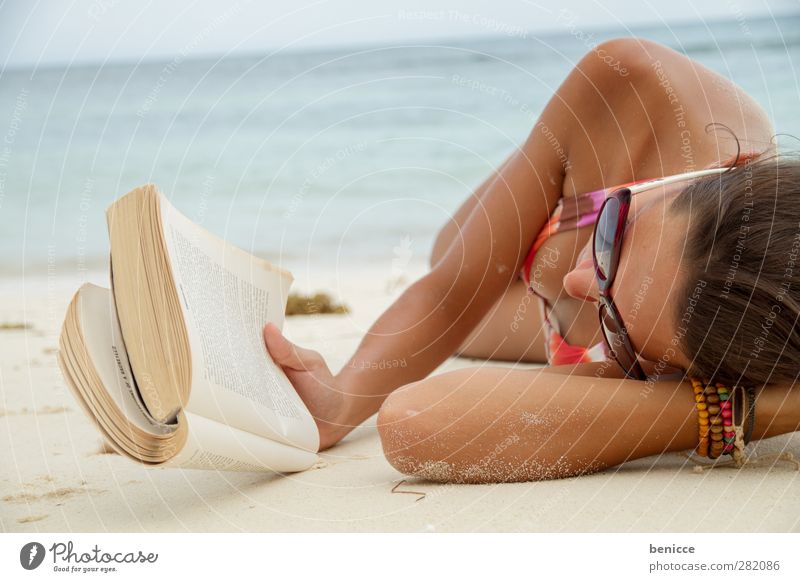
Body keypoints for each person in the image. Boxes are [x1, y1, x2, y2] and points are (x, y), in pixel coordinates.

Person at [263, 37, 800, 483]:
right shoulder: (627, 84)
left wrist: (746, 413)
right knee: (460, 260)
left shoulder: (720, 340)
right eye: (615, 232)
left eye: (618, 323)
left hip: (530, 322)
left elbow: (418, 420)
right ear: (737, 164)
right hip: (526, 242)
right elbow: (453, 290)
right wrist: (343, 399)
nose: (576, 279)